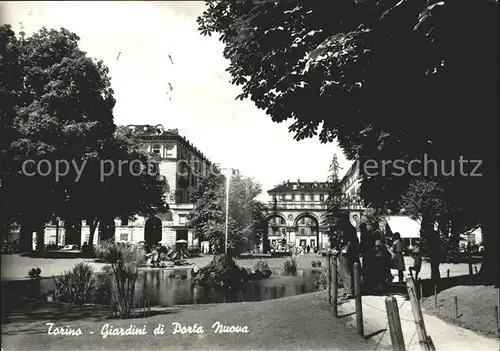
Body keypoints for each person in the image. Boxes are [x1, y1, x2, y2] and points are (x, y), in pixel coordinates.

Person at [334, 214, 359, 299]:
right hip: (351, 251)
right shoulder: (351, 228)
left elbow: (347, 241)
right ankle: (350, 290)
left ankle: (349, 291)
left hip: (346, 252)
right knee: (350, 270)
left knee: (345, 270)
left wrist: (345, 249)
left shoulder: (346, 229)